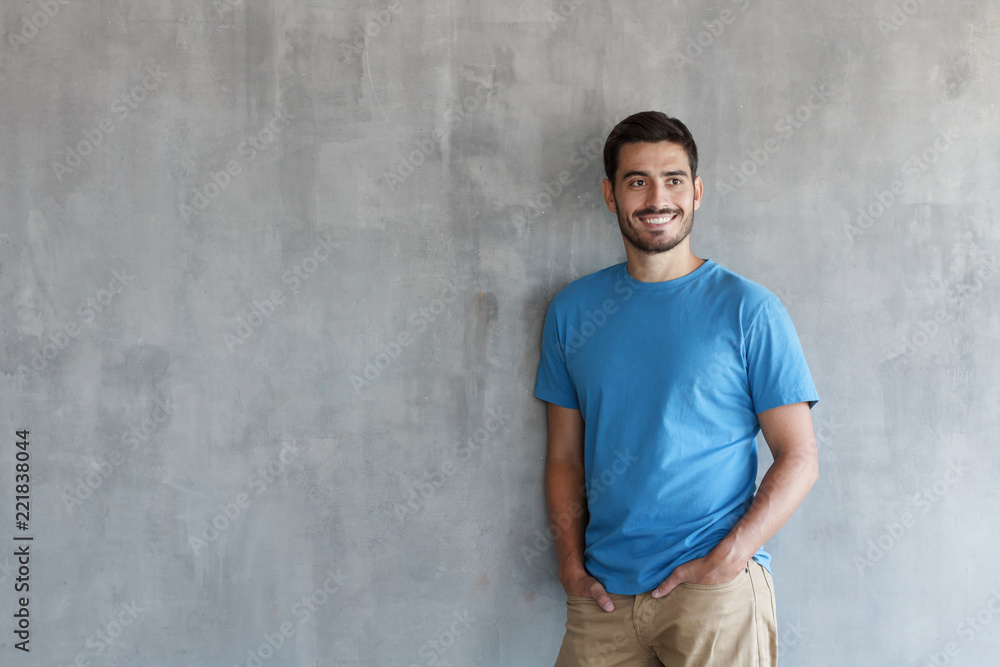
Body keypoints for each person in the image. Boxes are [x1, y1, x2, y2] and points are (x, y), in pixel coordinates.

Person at [534, 111, 820, 667]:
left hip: (714, 594)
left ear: (697, 192)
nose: (656, 197)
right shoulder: (573, 311)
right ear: (610, 194)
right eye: (637, 180)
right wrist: (570, 563)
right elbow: (564, 456)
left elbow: (800, 456)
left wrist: (731, 558)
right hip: (604, 597)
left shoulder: (749, 310)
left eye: (673, 180)